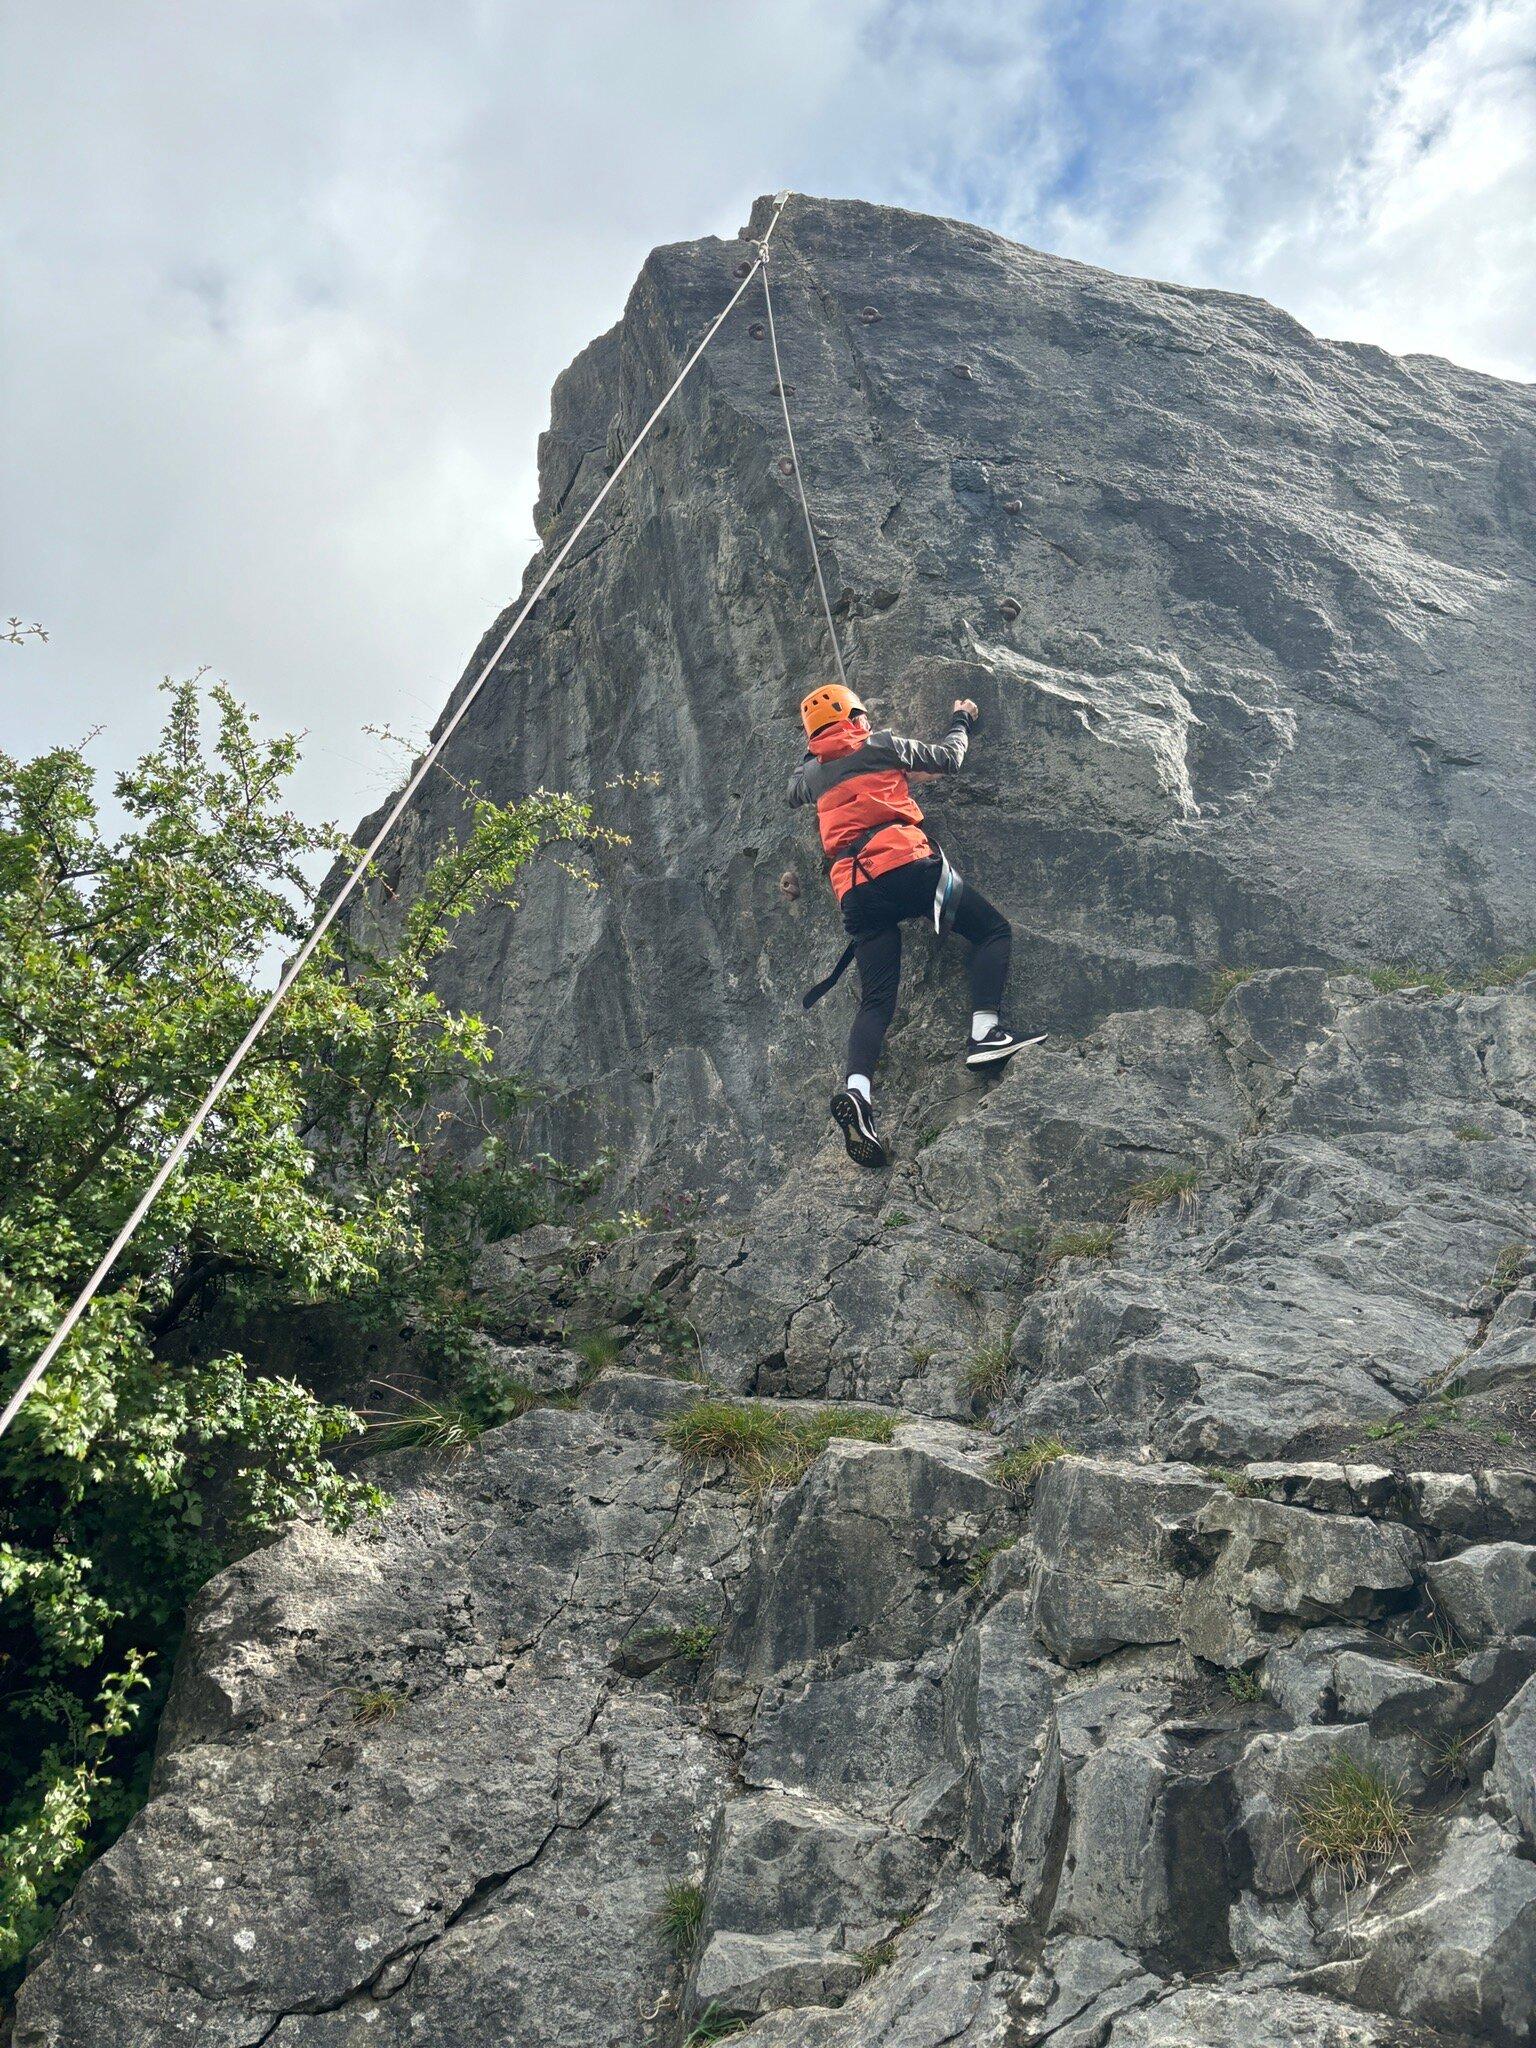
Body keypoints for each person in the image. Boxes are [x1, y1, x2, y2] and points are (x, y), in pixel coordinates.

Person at [789, 681, 1042, 1169]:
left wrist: (814, 755)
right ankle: (985, 1034)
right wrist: (961, 719)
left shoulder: (812, 776)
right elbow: (948, 760)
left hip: (855, 890)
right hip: (905, 867)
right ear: (857, 716)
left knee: (877, 1000)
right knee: (992, 931)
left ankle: (857, 1092)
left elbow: (792, 792)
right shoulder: (881, 744)